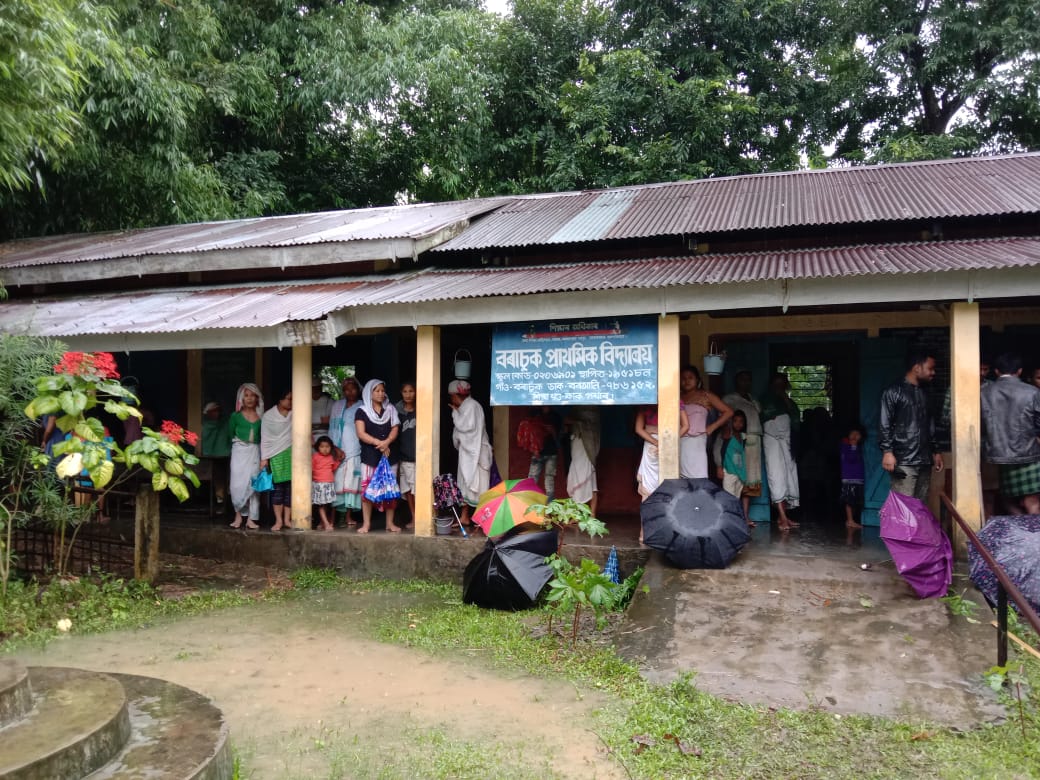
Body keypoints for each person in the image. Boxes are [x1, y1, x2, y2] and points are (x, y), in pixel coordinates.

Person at [879, 350, 943, 502]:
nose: (933, 372)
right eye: (930, 368)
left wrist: (936, 451)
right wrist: (887, 451)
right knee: (904, 507)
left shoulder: (926, 393)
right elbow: (884, 423)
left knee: (920, 506)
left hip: (925, 459)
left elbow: (931, 424)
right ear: (917, 368)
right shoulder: (893, 391)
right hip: (904, 460)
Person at [981, 352, 1040, 515]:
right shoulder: (1032, 392)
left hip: (996, 455)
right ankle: (1033, 538)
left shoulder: (984, 392)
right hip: (1029, 455)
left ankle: (1018, 531)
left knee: (1003, 499)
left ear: (997, 372)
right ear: (1020, 371)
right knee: (1032, 501)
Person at [355, 379, 401, 533]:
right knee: (367, 490)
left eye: (382, 390)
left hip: (389, 456)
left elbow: (395, 429)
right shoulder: (362, 411)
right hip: (370, 457)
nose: (381, 394)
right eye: (377, 391)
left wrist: (387, 442)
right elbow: (361, 433)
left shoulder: (391, 409)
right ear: (370, 392)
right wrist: (379, 443)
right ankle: (366, 524)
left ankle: (390, 523)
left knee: (390, 490)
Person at [448, 379, 492, 528]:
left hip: (478, 452)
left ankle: (481, 518)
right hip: (467, 453)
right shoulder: (465, 407)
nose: (451, 399)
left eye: (451, 395)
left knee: (480, 486)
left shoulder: (472, 406)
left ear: (456, 395)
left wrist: (455, 414)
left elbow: (466, 427)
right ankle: (465, 516)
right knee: (465, 484)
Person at [760, 372, 801, 530]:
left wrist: (785, 400)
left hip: (786, 441)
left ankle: (783, 517)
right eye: (776, 384)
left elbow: (795, 420)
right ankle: (782, 518)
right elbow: (762, 415)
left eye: (782, 385)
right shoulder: (764, 400)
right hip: (772, 440)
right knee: (776, 475)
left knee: (788, 476)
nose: (779, 388)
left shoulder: (789, 402)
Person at [723, 370, 764, 521]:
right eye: (742, 379)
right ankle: (734, 516)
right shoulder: (729, 399)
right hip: (737, 442)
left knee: (749, 479)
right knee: (736, 476)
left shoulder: (753, 400)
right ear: (736, 381)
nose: (745, 382)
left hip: (754, 441)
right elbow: (725, 419)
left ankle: (745, 516)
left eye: (748, 379)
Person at [680, 365, 732, 479]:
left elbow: (728, 412)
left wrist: (712, 427)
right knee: (680, 477)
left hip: (697, 440)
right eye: (683, 378)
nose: (686, 381)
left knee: (698, 477)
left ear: (698, 380)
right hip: (679, 440)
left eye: (690, 377)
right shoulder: (677, 397)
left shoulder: (705, 395)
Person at [635, 403, 690, 501]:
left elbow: (639, 429)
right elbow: (685, 426)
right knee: (669, 479)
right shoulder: (675, 398)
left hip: (652, 442)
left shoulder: (646, 399)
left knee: (650, 481)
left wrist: (656, 442)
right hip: (669, 442)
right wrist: (667, 443)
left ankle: (650, 511)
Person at [329, 376, 363, 526]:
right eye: (346, 389)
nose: (350, 392)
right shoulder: (337, 405)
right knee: (335, 483)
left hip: (354, 449)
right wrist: (334, 448)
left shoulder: (362, 406)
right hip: (336, 450)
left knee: (351, 482)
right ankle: (332, 518)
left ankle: (348, 516)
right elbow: (332, 427)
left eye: (353, 388)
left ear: (358, 389)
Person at [229, 383, 263, 530]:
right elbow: (230, 434)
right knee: (237, 484)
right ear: (241, 399)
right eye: (246, 395)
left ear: (257, 398)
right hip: (239, 451)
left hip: (255, 451)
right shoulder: (235, 416)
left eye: (252, 395)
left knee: (253, 484)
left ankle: (251, 518)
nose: (249, 399)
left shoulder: (261, 417)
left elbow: (264, 438)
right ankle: (238, 515)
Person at [261, 389, 293, 531]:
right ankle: (278, 521)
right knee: (278, 490)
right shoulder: (269, 416)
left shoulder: (296, 413)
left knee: (291, 489)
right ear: (280, 400)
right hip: (276, 455)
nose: (291, 402)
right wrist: (264, 458)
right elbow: (265, 438)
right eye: (288, 399)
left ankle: (287, 520)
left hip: (292, 454)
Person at [713, 410, 751, 526]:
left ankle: (732, 521)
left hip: (739, 472)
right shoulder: (727, 433)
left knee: (735, 498)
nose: (738, 424)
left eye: (741, 422)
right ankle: (726, 522)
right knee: (728, 497)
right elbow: (717, 449)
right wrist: (719, 465)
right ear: (730, 422)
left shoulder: (742, 436)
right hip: (729, 470)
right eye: (735, 421)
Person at [566, 407, 600, 516]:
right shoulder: (574, 409)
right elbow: (566, 422)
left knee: (591, 482)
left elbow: (592, 426)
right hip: (576, 445)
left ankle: (593, 514)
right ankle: (575, 515)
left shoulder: (595, 410)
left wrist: (579, 422)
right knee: (575, 478)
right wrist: (575, 422)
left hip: (589, 450)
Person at [526, 406, 563, 501]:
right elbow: (530, 434)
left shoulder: (556, 417)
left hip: (551, 453)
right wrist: (534, 448)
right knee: (532, 480)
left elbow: (558, 438)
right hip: (537, 452)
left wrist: (552, 431)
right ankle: (529, 503)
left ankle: (550, 507)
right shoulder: (536, 415)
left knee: (549, 480)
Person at [395, 382, 417, 526]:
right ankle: (414, 516)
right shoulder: (397, 412)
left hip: (417, 457)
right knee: (407, 489)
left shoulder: (420, 409)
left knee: (417, 489)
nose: (408, 394)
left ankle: (419, 518)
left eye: (411, 391)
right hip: (403, 456)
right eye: (405, 391)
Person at [201, 401, 231, 508]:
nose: (216, 413)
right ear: (207, 413)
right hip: (208, 457)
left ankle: (223, 500)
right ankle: (219, 500)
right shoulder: (204, 425)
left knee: (224, 477)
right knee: (215, 478)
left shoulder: (224, 423)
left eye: (218, 411)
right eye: (213, 411)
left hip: (224, 455)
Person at [312, 435, 344, 531]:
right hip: (319, 484)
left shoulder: (331, 457)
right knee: (321, 505)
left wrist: (338, 461)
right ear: (318, 447)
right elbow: (311, 469)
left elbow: (333, 468)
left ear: (331, 447)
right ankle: (326, 524)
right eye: (322, 447)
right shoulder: (315, 457)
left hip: (329, 484)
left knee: (326, 504)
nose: (325, 449)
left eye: (327, 447)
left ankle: (322, 522)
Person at [839, 425, 866, 529]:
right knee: (849, 499)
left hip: (858, 478)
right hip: (849, 477)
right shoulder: (845, 445)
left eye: (857, 434)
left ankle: (851, 519)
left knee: (855, 500)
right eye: (852, 433)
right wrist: (853, 446)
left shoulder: (860, 446)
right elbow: (851, 459)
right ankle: (850, 520)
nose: (854, 436)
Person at [310, 373, 334, 443]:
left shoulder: (329, 401)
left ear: (321, 387)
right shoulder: (305, 402)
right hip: (309, 437)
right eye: (313, 389)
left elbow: (329, 424)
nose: (315, 391)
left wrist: (312, 426)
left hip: (326, 437)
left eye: (318, 388)